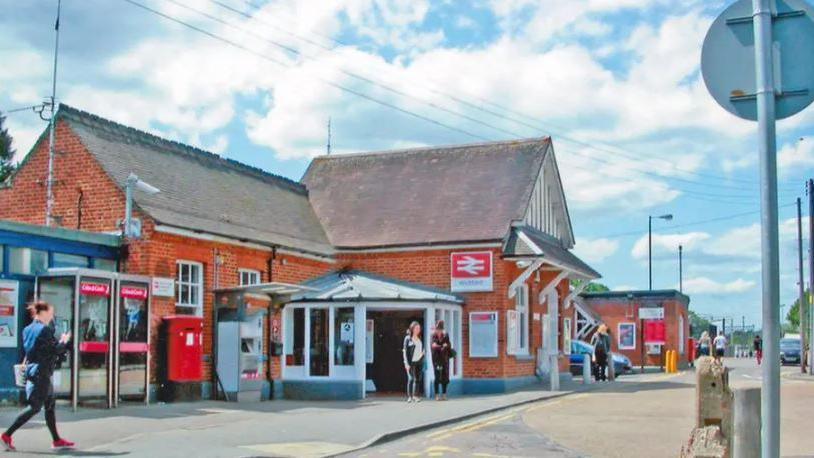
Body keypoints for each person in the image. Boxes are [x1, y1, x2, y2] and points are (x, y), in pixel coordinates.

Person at [2, 301, 75, 452]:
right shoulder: (44, 330)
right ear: (42, 313)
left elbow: (37, 349)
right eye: (50, 312)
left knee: (49, 405)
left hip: (35, 370)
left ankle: (57, 440)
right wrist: (65, 341)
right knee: (35, 407)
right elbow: (54, 350)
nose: (52, 315)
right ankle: (7, 435)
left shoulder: (27, 329)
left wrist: (58, 343)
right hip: (41, 372)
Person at [402, 321, 425, 403]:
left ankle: (415, 396)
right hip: (410, 362)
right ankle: (409, 397)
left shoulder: (420, 338)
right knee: (411, 379)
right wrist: (406, 363)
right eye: (416, 328)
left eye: (419, 328)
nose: (418, 330)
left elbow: (421, 348)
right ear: (412, 328)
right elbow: (404, 351)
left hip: (419, 361)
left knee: (417, 379)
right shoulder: (408, 338)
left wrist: (423, 353)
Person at [431, 320, 452, 400]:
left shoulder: (446, 335)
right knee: (437, 376)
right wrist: (442, 346)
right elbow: (433, 345)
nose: (439, 331)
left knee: (445, 377)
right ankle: (436, 395)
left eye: (440, 329)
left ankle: (444, 394)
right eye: (437, 329)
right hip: (436, 360)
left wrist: (445, 346)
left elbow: (449, 345)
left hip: (444, 360)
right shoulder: (433, 336)